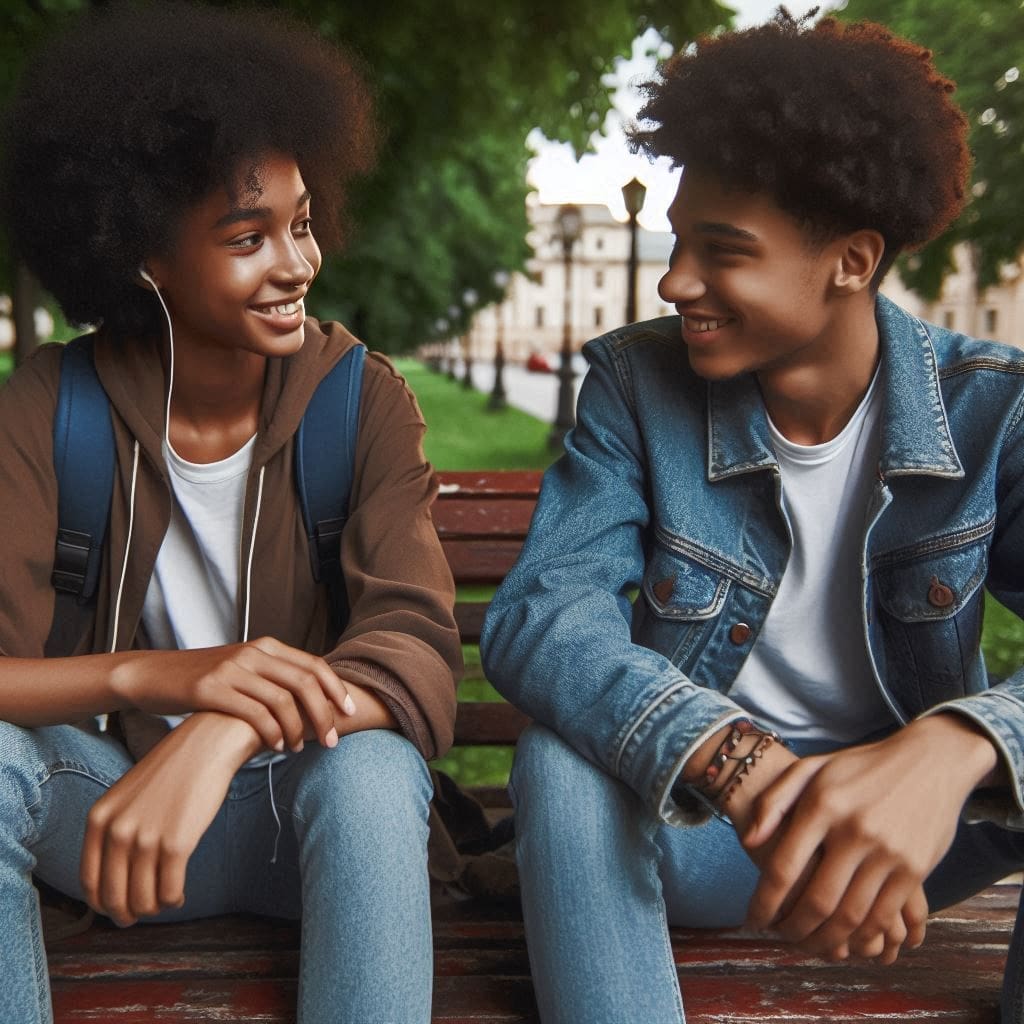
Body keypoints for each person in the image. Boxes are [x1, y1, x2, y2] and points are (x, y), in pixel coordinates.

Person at [480, 11, 1024, 1023]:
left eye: (720, 253)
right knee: (558, 762)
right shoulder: (637, 386)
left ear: (850, 261)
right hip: (708, 829)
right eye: (677, 243)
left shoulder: (993, 408)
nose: (675, 281)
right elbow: (544, 616)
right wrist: (737, 757)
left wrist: (952, 750)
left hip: (914, 841)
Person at [0, 4, 461, 1022]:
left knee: (375, 767)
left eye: (300, 224)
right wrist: (150, 676)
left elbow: (417, 647)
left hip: (302, 826)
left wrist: (219, 726)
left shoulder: (360, 399)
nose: (297, 264)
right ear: (141, 258)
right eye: (247, 237)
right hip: (111, 821)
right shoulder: (51, 404)